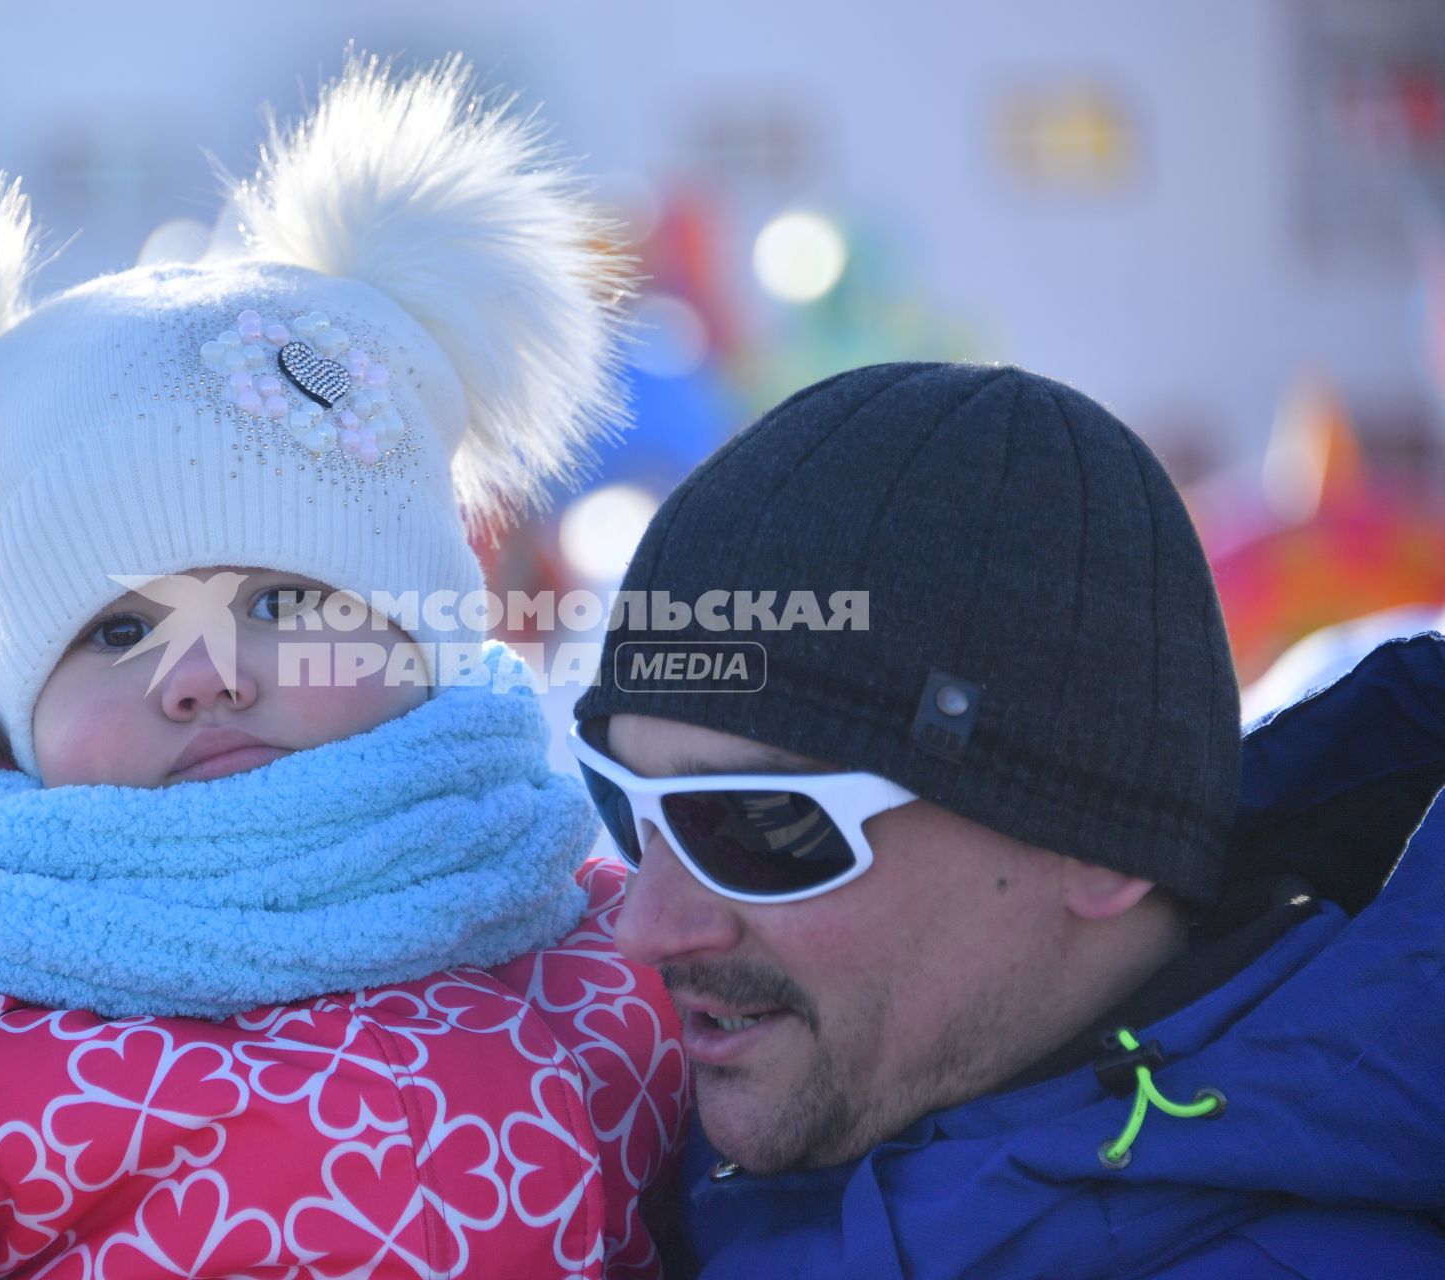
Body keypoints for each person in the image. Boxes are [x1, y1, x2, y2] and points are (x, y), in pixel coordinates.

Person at [0, 57, 689, 1278]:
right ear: (12, 694)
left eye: (278, 598)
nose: (203, 675)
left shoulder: (598, 955)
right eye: (116, 631)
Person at [570, 361, 1445, 1277]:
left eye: (750, 824)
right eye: (626, 808)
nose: (644, 926)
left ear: (1094, 839)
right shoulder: (626, 1171)